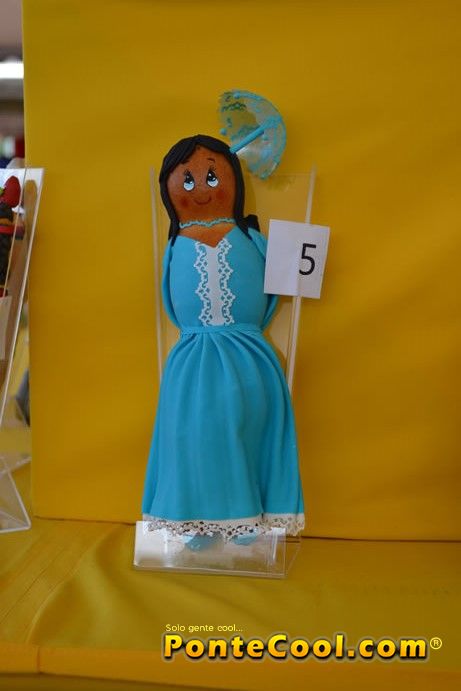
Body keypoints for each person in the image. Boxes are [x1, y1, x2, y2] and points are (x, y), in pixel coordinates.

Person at [142, 134, 304, 546]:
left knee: (246, 429)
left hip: (248, 355)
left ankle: (248, 513)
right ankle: (195, 518)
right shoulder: (176, 243)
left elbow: (278, 288)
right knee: (190, 434)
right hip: (193, 356)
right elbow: (171, 302)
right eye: (188, 180)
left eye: (212, 177)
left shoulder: (250, 238)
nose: (201, 189)